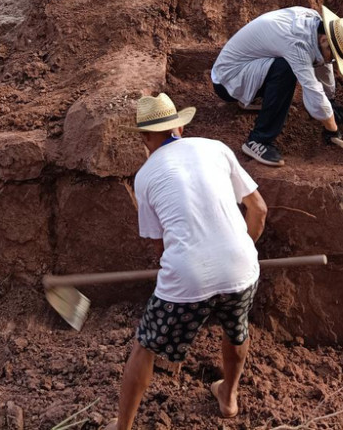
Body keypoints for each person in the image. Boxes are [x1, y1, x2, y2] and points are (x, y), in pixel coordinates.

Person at [109, 93, 268, 429]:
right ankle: (228, 397)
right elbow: (259, 209)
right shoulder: (216, 148)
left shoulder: (146, 175)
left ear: (145, 138)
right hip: (242, 267)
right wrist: (240, 249)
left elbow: (160, 247)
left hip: (188, 275)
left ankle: (122, 427)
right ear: (179, 125)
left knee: (146, 347)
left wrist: (187, 288)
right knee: (236, 330)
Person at [211, 6, 343, 167]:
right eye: (334, 57)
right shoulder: (297, 42)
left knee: (293, 63)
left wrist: (330, 99)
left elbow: (322, 62)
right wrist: (332, 129)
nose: (332, 61)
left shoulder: (313, 22)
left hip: (244, 66)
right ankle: (258, 140)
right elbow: (313, 91)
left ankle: (252, 98)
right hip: (227, 81)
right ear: (324, 39)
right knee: (286, 69)